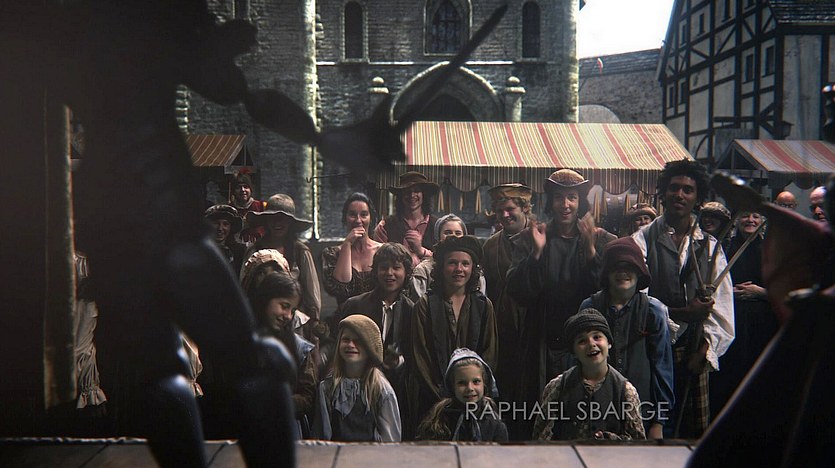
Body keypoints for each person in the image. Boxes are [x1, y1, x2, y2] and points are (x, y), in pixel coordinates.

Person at [631, 159, 735, 438]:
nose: (679, 195)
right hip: (650, 347)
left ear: (697, 198)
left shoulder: (710, 247)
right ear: (662, 193)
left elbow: (723, 309)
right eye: (674, 188)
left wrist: (705, 351)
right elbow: (636, 299)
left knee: (691, 433)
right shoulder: (642, 239)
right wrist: (682, 313)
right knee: (652, 425)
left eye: (688, 190)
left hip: (693, 349)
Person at [505, 169, 616, 426]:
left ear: (580, 202)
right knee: (542, 408)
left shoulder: (601, 239)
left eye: (571, 198)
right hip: (542, 339)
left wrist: (591, 252)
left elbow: (609, 294)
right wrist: (536, 254)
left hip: (586, 339)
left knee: (582, 409)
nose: (565, 205)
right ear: (550, 201)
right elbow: (516, 290)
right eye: (558, 197)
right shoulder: (531, 237)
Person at [579, 237, 675, 439]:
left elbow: (662, 368)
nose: (623, 272)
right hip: (597, 410)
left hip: (642, 411)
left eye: (629, 267)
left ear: (639, 273)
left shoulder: (653, 311)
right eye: (616, 267)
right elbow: (579, 363)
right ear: (607, 273)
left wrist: (659, 421)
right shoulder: (590, 307)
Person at [410, 235, 498, 431]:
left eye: (465, 263)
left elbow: (489, 351)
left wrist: (475, 389)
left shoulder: (483, 305)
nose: (459, 269)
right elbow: (420, 355)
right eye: (452, 263)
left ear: (473, 268)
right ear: (442, 267)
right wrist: (442, 396)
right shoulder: (425, 305)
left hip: (473, 397)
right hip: (433, 399)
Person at [532, 309, 645, 441]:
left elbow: (638, 444)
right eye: (582, 341)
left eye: (597, 337)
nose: (591, 344)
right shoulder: (557, 387)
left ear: (609, 343)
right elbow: (541, 438)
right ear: (574, 351)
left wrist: (612, 439)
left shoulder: (625, 391)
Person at [339, 243, 415, 435]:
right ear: (376, 271)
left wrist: (398, 362)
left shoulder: (412, 311)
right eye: (384, 267)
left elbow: (415, 354)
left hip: (395, 389)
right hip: (357, 385)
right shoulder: (355, 305)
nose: (389, 273)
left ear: (406, 272)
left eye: (396, 268)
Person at [709, 210, 777, 419]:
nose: (751, 220)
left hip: (763, 325)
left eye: (756, 216)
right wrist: (728, 293)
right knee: (730, 375)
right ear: (737, 220)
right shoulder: (724, 249)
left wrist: (759, 292)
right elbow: (711, 283)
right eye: (746, 216)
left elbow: (784, 291)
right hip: (732, 321)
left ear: (762, 220)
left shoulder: (772, 250)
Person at [480, 183, 533, 439]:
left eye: (510, 209)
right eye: (500, 210)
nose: (505, 215)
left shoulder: (542, 239)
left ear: (525, 208)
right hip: (502, 332)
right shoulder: (490, 246)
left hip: (535, 329)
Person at [312, 315, 401, 442]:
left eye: (358, 341)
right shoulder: (327, 387)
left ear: (370, 347)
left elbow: (390, 440)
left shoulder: (381, 390)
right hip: (336, 453)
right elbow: (322, 436)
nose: (350, 345)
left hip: (372, 454)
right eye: (346, 339)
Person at [252, 271, 318, 439]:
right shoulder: (242, 342)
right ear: (265, 300)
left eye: (293, 310)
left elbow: (308, 395)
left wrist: (278, 402)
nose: (288, 316)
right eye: (284, 306)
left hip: (287, 430)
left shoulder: (299, 347)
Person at [246, 193, 321, 320]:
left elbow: (311, 292)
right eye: (273, 218)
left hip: (292, 319)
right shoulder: (254, 250)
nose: (277, 223)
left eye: (282, 219)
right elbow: (245, 287)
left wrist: (314, 321)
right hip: (259, 318)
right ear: (266, 221)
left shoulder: (300, 251)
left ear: (290, 222)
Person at [416, 348, 507, 441]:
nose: (470, 388)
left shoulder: (495, 425)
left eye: (476, 381)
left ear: (484, 383)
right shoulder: (439, 422)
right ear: (452, 386)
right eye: (462, 383)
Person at [322, 193, 382, 309]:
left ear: (370, 218)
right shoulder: (332, 253)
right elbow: (341, 288)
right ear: (345, 218)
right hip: (346, 315)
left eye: (364, 215)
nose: (358, 220)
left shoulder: (382, 251)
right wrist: (347, 244)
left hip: (378, 314)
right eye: (352, 215)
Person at [408, 213, 486, 302]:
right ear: (438, 237)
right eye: (448, 233)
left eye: (458, 233)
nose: (453, 236)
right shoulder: (423, 270)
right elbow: (418, 303)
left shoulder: (474, 269)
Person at [373, 171, 440, 266]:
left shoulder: (438, 226)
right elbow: (378, 259)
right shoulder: (385, 226)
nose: (412, 195)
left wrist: (421, 251)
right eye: (407, 192)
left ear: (424, 195)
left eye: (416, 191)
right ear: (401, 196)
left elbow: (445, 259)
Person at [204, 204, 247, 274]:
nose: (220, 228)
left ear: (231, 227)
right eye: (216, 223)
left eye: (225, 224)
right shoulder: (201, 250)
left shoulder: (240, 251)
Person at [230, 172, 264, 244]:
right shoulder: (229, 209)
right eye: (238, 187)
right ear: (233, 191)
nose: (242, 190)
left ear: (250, 189)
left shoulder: (261, 206)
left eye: (246, 187)